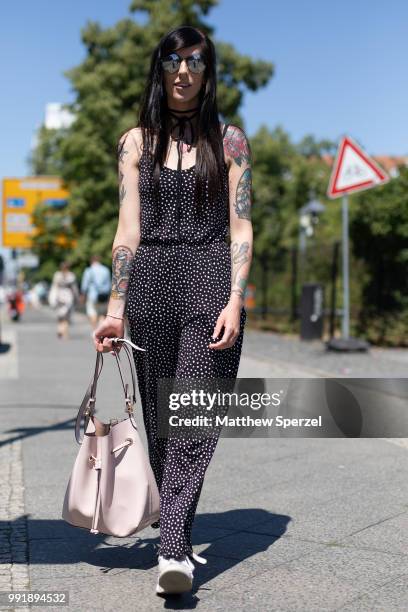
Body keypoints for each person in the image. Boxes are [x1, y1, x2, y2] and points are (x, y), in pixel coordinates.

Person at [93, 25, 253, 595]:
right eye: (172, 60)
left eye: (195, 61)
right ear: (159, 69)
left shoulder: (230, 141)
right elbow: (127, 228)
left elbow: (241, 225)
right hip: (152, 282)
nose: (183, 71)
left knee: (194, 411)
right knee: (162, 422)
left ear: (208, 72)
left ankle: (174, 551)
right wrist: (116, 307)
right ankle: (176, 521)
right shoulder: (135, 142)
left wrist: (236, 296)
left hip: (211, 275)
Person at [49, 261, 79, 339]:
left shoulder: (57, 275)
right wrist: (77, 298)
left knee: (60, 315)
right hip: (68, 297)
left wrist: (52, 297)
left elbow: (54, 286)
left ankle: (60, 329)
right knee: (66, 317)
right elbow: (74, 289)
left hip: (59, 296)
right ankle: (65, 333)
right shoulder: (71, 276)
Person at [80, 255, 111, 330]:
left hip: (92, 295)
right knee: (102, 314)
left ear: (92, 261)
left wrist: (83, 295)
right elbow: (109, 284)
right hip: (103, 295)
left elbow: (85, 285)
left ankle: (95, 330)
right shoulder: (106, 270)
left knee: (92, 312)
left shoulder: (89, 270)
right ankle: (101, 330)